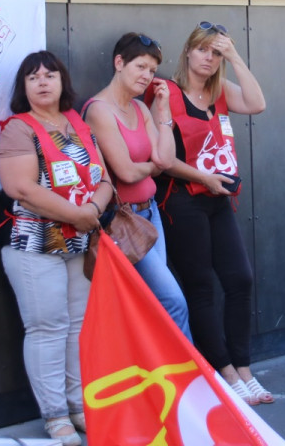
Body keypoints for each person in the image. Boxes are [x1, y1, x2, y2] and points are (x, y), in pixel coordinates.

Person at [0, 51, 115, 446]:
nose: (43, 82)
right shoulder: (18, 129)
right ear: (23, 87)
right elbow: (21, 188)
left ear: (63, 81)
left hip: (79, 243)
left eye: (50, 75)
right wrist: (79, 214)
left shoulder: (77, 123)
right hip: (33, 246)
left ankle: (77, 405)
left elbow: (104, 179)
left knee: (76, 327)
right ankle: (55, 417)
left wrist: (93, 210)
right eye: (33, 77)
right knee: (47, 329)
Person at [151, 21, 270, 405]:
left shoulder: (219, 92)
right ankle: (226, 373)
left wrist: (235, 57)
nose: (209, 58)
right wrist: (203, 176)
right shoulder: (166, 93)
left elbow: (257, 104)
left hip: (218, 199)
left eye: (216, 52)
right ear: (187, 51)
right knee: (200, 286)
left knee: (240, 280)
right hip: (182, 199)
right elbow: (164, 159)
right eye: (203, 50)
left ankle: (245, 369)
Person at [83, 32, 191, 339]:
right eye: (140, 67)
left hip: (150, 214)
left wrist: (164, 114)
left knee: (156, 304)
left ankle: (168, 381)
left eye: (152, 71)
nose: (147, 76)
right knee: (171, 300)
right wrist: (150, 166)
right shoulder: (98, 110)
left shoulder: (141, 109)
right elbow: (127, 173)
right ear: (119, 63)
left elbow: (165, 161)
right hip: (123, 221)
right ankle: (189, 381)